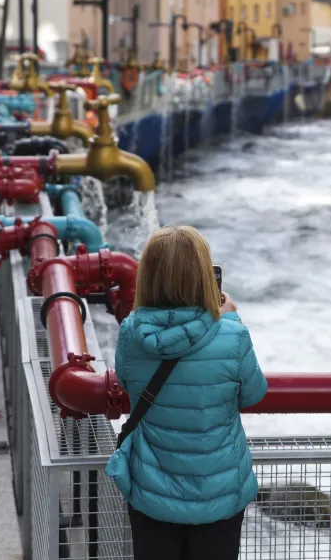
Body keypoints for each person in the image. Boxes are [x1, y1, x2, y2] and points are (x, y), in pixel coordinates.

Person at [112, 225, 268, 560]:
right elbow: (253, 394)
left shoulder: (130, 334)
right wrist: (232, 320)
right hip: (219, 493)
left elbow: (126, 383)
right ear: (203, 277)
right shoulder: (233, 335)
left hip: (152, 492)